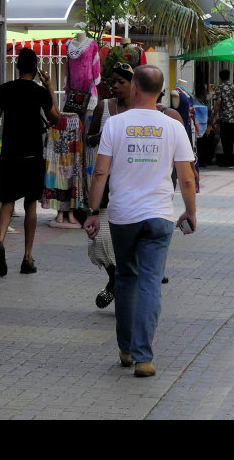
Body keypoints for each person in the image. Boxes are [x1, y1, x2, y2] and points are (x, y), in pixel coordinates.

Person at [84, 65, 197, 378]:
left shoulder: (117, 124)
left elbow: (100, 172)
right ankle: (144, 357)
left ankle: (126, 349)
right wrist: (190, 212)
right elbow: (186, 177)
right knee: (150, 283)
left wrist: (93, 211)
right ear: (160, 92)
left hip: (123, 216)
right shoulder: (172, 125)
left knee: (126, 277)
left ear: (134, 88)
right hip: (160, 217)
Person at [84, 62, 186, 309]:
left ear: (135, 87)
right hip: (109, 189)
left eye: (122, 82)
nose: (116, 86)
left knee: (135, 257)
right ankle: (115, 281)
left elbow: (181, 164)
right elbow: (89, 142)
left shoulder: (164, 116)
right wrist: (105, 136)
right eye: (113, 82)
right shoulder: (105, 108)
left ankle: (121, 293)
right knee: (99, 243)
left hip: (145, 197)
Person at [0, 47, 61, 277]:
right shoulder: (39, 91)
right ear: (36, 68)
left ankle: (0, 241)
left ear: (17, 66)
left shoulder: (5, 89)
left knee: (6, 201)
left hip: (9, 155)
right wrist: (49, 88)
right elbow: (55, 119)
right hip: (32, 157)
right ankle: (27, 257)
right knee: (30, 205)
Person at [210, 69, 234, 167]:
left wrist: (215, 115)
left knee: (224, 138)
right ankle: (230, 159)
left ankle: (227, 160)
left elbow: (218, 103)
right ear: (229, 76)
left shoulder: (220, 87)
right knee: (231, 138)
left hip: (224, 117)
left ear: (220, 77)